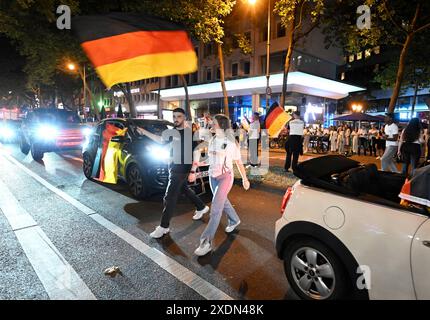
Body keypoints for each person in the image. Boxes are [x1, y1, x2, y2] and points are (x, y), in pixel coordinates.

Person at [136, 108, 209, 239]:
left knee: (169, 198)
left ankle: (164, 227)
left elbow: (197, 151)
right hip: (173, 166)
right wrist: (144, 132)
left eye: (179, 116)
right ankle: (201, 206)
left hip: (181, 169)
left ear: (184, 118)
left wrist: (193, 171)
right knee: (184, 189)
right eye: (174, 116)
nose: (176, 119)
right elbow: (160, 140)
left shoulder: (189, 134)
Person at [189, 114, 250, 256]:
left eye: (214, 123)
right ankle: (234, 220)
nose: (211, 125)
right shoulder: (213, 139)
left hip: (225, 178)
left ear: (221, 125)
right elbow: (211, 158)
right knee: (223, 202)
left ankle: (206, 242)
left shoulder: (231, 143)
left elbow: (239, 162)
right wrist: (201, 163)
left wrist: (244, 179)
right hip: (213, 177)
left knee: (215, 209)